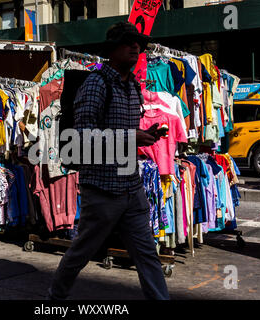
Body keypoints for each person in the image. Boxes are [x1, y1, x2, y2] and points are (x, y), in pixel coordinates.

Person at [47, 22, 170, 300]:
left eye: (138, 42)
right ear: (112, 49)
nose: (136, 47)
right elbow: (81, 136)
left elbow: (125, 134)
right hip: (102, 190)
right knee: (82, 251)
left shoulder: (132, 88)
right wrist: (130, 137)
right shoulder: (96, 83)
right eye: (128, 42)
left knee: (147, 254)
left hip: (131, 187)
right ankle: (55, 297)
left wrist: (145, 135)